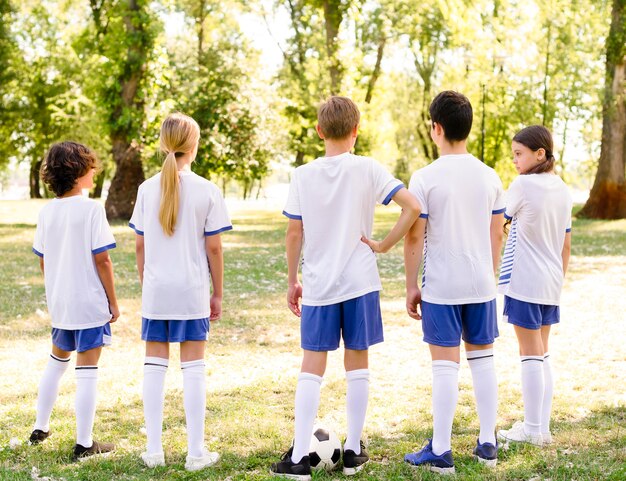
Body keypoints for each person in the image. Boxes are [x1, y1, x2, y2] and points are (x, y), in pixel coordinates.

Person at [270, 96, 421, 480]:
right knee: (358, 363)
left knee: (312, 367)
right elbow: (412, 206)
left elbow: (293, 232)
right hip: (360, 282)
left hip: (319, 285)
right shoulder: (368, 169)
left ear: (319, 131)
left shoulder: (303, 175)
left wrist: (293, 279)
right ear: (357, 131)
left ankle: (300, 458)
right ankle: (353, 450)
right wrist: (384, 245)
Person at [400, 91, 505, 474]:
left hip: (442, 285)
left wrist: (412, 284)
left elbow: (414, 236)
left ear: (436, 128)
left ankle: (441, 449)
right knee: (483, 361)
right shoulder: (490, 175)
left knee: (445, 366)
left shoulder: (425, 177)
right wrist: (486, 276)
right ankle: (488, 441)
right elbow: (498, 234)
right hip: (481, 283)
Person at [129, 113, 231, 471]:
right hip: (192, 293)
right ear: (194, 146)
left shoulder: (145, 189)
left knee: (154, 369)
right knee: (193, 370)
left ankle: (154, 451)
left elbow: (140, 247)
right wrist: (217, 293)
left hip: (157, 292)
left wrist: (148, 284)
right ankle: (195, 453)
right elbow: (214, 250)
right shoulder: (207, 189)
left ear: (163, 144)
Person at [30, 141, 119, 461]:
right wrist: (113, 302)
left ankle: (40, 426)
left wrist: (56, 288)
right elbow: (103, 261)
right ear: (78, 172)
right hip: (89, 305)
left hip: (62, 305)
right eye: (91, 166)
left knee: (55, 365)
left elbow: (43, 260)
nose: (95, 171)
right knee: (87, 372)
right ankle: (84, 443)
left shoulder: (46, 211)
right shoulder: (92, 209)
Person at [497, 125, 572, 447]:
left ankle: (531, 428)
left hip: (524, 281)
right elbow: (566, 243)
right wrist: (558, 279)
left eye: (519, 154)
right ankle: (542, 428)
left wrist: (503, 229)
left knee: (530, 355)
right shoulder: (563, 188)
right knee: (543, 354)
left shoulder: (523, 185)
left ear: (539, 154)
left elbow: (498, 219)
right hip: (551, 281)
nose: (514, 161)